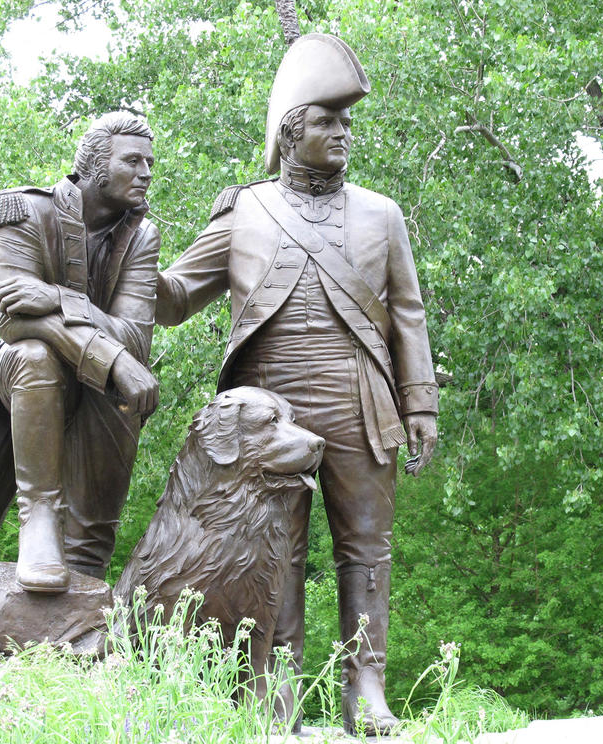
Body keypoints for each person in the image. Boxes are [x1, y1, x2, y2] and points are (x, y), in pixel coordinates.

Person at [155, 34, 439, 735]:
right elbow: (172, 298)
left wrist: (420, 400)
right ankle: (271, 694)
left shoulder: (383, 214)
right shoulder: (243, 211)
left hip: (358, 394)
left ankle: (365, 692)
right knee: (273, 550)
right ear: (289, 135)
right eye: (326, 122)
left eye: (346, 124)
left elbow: (408, 311)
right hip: (266, 406)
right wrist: (125, 243)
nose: (342, 134)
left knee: (368, 547)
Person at [0, 112, 160, 593]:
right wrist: (109, 355)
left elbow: (134, 338)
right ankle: (38, 520)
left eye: (150, 162)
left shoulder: (143, 236)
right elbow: (11, 318)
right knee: (34, 353)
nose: (146, 172)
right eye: (132, 160)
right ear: (94, 165)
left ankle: (85, 598)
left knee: (92, 546)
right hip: (28, 376)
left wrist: (57, 299)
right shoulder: (22, 211)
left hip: (103, 387)